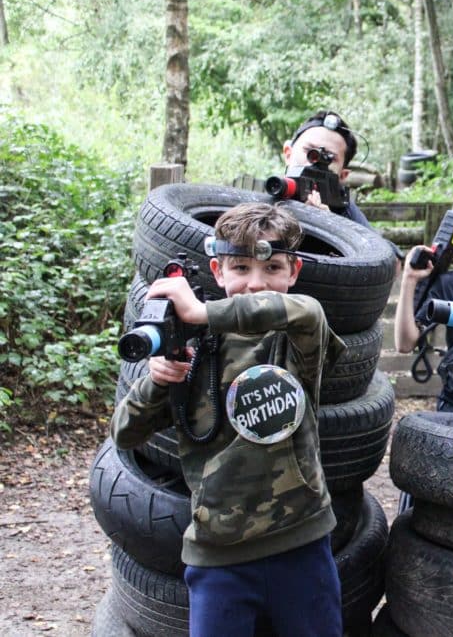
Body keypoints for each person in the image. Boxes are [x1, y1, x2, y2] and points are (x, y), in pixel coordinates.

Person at [111, 203, 345, 636]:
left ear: (292, 272)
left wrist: (202, 312)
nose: (255, 283)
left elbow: (307, 312)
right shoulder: (194, 347)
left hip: (301, 543)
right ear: (218, 272)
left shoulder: (294, 338)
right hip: (218, 555)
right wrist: (159, 379)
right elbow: (126, 433)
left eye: (272, 267)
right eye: (240, 267)